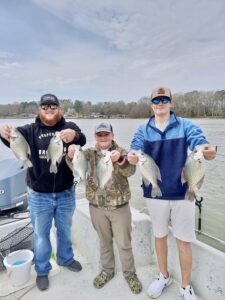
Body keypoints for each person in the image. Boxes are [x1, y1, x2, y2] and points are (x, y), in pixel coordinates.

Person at [127, 87, 216, 300]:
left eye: (164, 99)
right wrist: (131, 156)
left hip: (183, 193)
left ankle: (185, 286)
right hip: (154, 193)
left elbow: (200, 143)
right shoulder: (143, 129)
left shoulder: (186, 125)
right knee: (159, 236)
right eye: (156, 100)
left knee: (184, 241)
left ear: (171, 103)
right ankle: (163, 275)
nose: (160, 103)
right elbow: (135, 149)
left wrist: (207, 150)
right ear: (151, 104)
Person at [0, 93, 86, 291]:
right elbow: (12, 140)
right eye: (45, 106)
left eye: (53, 105)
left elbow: (82, 138)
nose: (49, 109)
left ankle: (65, 259)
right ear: (39, 109)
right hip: (38, 195)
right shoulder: (29, 130)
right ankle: (42, 270)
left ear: (59, 108)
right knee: (41, 235)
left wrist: (74, 137)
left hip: (65, 193)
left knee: (65, 230)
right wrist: (4, 131)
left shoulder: (68, 127)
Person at [66, 122, 142, 294]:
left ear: (112, 135)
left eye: (106, 134)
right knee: (104, 242)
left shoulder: (122, 152)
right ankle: (108, 271)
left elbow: (130, 171)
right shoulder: (88, 153)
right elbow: (74, 165)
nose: (103, 138)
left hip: (119, 207)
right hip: (96, 207)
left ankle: (130, 274)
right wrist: (71, 154)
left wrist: (120, 160)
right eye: (99, 135)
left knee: (124, 244)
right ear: (95, 137)